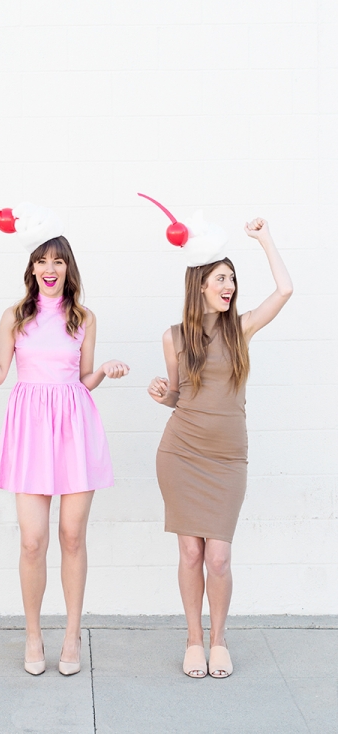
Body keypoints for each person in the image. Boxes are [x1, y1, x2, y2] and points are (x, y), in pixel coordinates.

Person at [0, 202, 129, 677]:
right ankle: (34, 635)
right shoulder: (15, 317)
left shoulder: (84, 317)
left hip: (75, 427)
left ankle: (72, 635)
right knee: (33, 542)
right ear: (31, 267)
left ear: (67, 267)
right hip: (30, 430)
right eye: (42, 260)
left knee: (72, 536)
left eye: (58, 260)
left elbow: (82, 379)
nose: (50, 269)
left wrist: (103, 370)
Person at [148, 217, 292, 679]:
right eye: (221, 278)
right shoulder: (174, 336)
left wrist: (264, 238)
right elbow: (177, 395)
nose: (229, 286)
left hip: (227, 459)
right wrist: (161, 394)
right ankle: (194, 640)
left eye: (232, 278)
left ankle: (219, 639)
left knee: (220, 556)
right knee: (190, 554)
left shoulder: (241, 329)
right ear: (201, 285)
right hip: (181, 452)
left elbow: (284, 290)